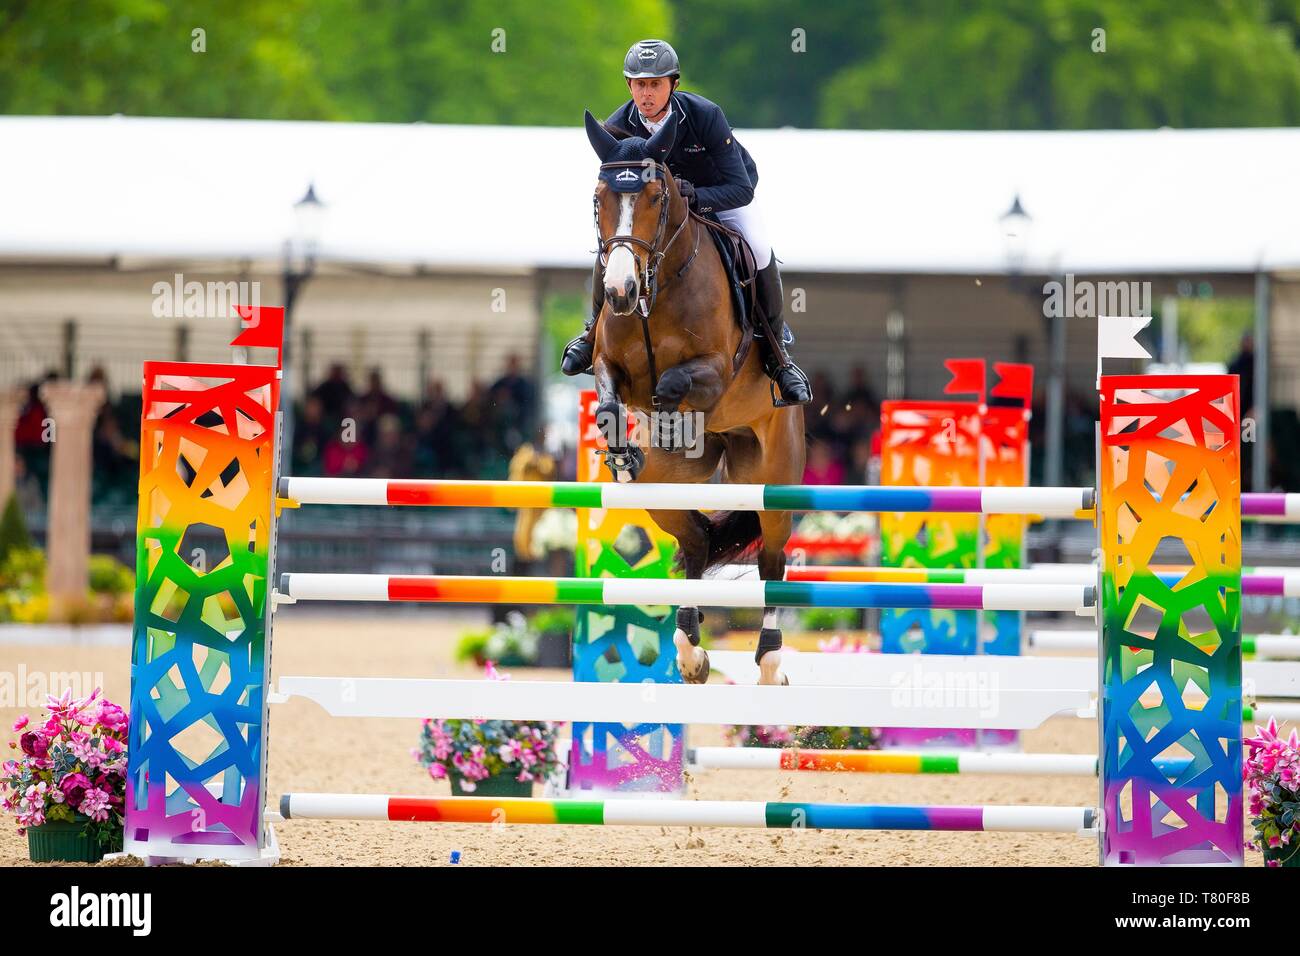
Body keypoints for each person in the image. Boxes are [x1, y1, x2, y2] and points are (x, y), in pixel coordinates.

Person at [561, 39, 811, 406]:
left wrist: (696, 197)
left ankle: (777, 355)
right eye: (639, 84)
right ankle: (591, 333)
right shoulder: (618, 126)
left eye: (656, 84)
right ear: (629, 85)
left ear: (673, 84)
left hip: (718, 195)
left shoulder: (704, 115)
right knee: (618, 245)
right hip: (657, 211)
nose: (647, 93)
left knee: (757, 246)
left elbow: (741, 188)